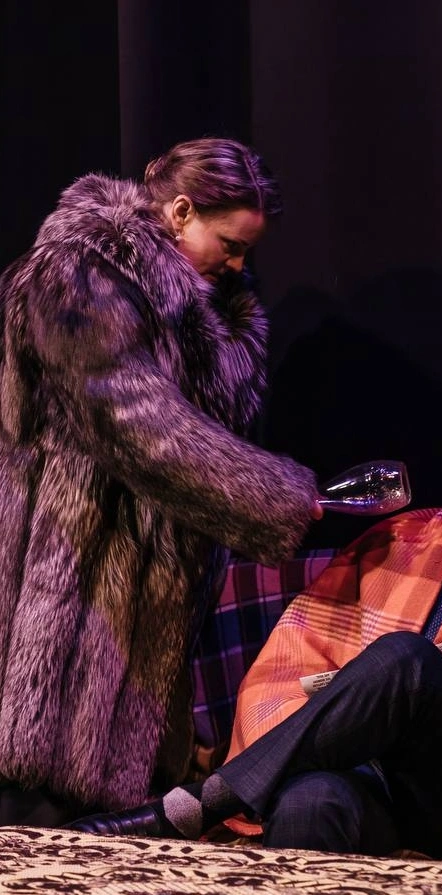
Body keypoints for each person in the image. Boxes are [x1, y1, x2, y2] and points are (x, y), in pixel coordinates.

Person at [68, 385, 442, 859]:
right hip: (366, 775)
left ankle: (204, 802)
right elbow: (294, 652)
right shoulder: (398, 535)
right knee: (310, 801)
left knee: (409, 658)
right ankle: (231, 803)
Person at [0, 137, 322, 826]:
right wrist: (276, 496)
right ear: (180, 211)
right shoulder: (79, 273)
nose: (238, 266)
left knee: (112, 830)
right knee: (36, 822)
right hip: (69, 575)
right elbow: (131, 421)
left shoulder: (215, 314)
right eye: (230, 244)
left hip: (144, 613)